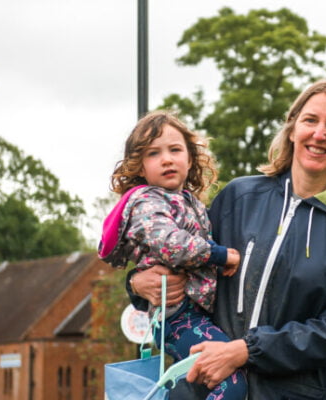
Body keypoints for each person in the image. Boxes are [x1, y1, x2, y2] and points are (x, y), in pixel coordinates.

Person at [127, 79, 326, 399]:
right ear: (292, 129)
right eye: (310, 120)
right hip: (206, 389)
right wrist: (139, 284)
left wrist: (245, 351)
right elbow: (184, 259)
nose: (319, 134)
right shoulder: (240, 197)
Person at [98, 110, 247, 399]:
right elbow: (171, 244)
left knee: (202, 384)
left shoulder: (191, 202)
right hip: (179, 316)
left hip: (198, 314)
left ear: (190, 159)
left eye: (175, 150)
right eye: (154, 153)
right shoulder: (147, 202)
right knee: (230, 380)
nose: (166, 159)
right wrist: (221, 256)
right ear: (140, 166)